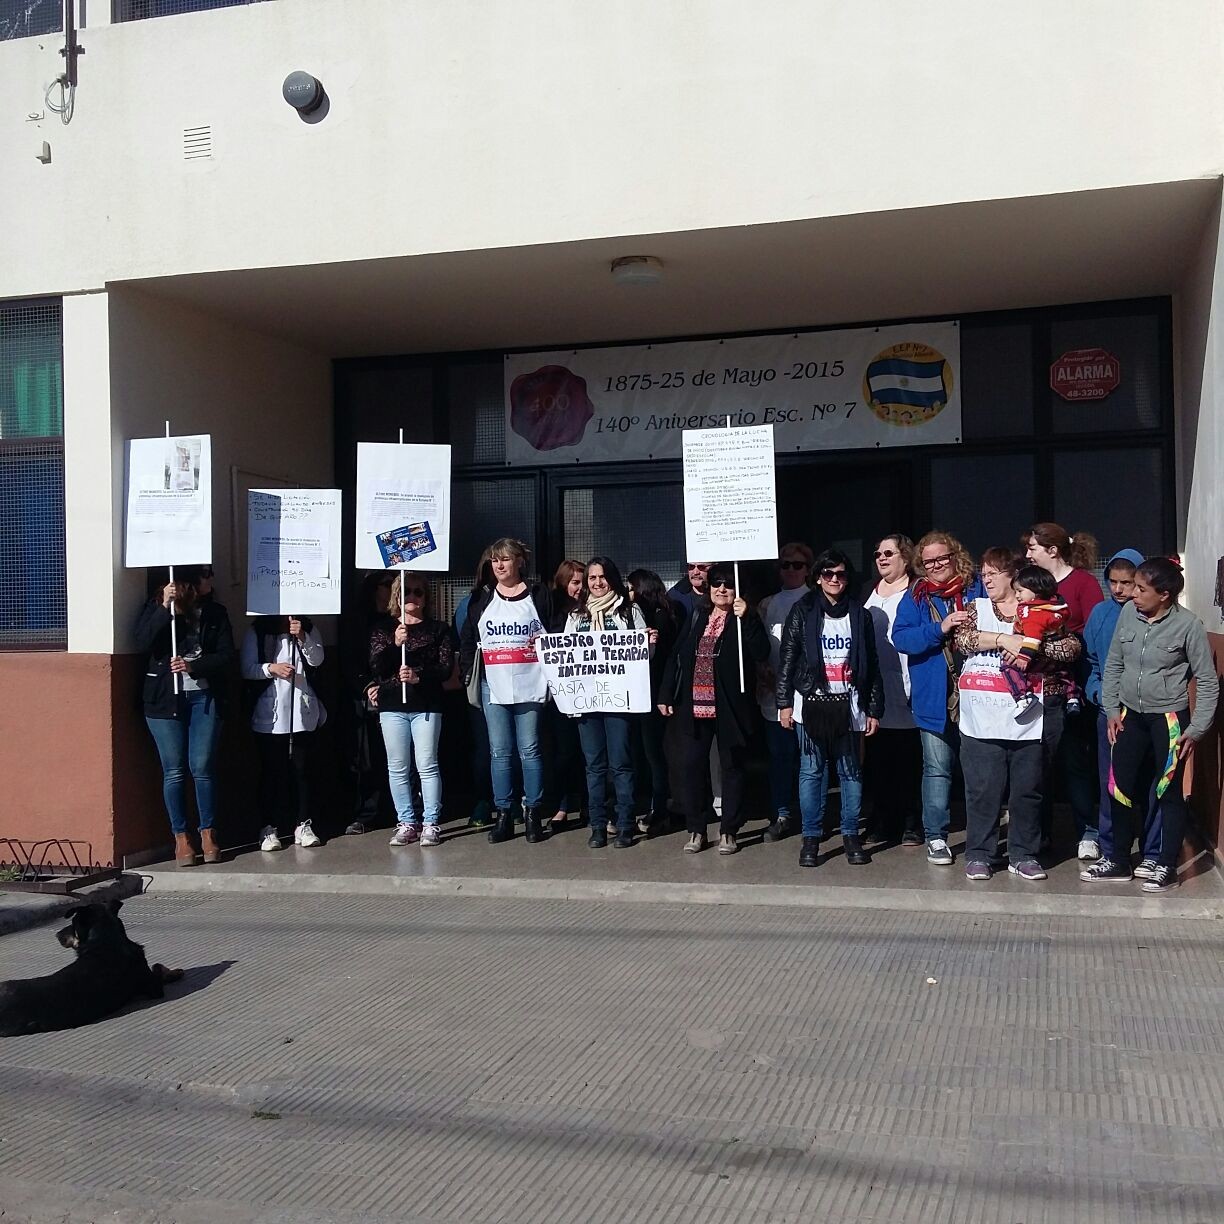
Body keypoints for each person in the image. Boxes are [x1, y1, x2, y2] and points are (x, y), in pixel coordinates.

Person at [1085, 557, 1219, 891]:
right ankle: (1117, 859)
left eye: (1141, 589)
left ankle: (1164, 865)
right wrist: (1111, 709)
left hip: (1169, 719)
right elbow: (1114, 663)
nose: (1133, 594)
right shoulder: (1129, 615)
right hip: (1129, 716)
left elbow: (1207, 680)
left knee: (1167, 791)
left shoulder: (1188, 625)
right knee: (1118, 787)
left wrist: (1197, 729)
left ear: (1164, 595)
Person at [952, 548, 1081, 883]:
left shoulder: (1044, 607)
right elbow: (963, 640)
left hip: (1033, 715)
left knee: (1028, 789)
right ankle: (980, 854)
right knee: (984, 788)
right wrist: (1004, 639)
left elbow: (1070, 648)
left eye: (993, 573)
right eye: (983, 573)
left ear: (1013, 575)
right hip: (983, 713)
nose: (986, 579)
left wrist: (1031, 645)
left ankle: (1024, 854)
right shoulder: (978, 608)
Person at [777, 548, 882, 868]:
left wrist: (874, 708)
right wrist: (783, 703)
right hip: (810, 703)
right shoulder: (803, 610)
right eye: (828, 573)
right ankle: (811, 837)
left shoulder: (860, 614)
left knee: (850, 772)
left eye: (841, 574)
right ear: (818, 577)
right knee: (811, 771)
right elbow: (788, 658)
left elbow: (871, 664)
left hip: (849, 704)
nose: (834, 579)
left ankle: (850, 834)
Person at [659, 564, 769, 854]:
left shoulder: (745, 618)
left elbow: (761, 652)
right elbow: (677, 655)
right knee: (691, 766)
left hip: (730, 707)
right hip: (695, 704)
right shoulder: (698, 615)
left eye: (728, 584)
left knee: (732, 767)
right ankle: (696, 828)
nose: (721, 589)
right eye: (717, 583)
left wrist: (748, 618)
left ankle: (729, 830)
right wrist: (666, 693)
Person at [891, 531, 983, 866]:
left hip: (979, 697)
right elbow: (901, 638)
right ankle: (936, 838)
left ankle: (981, 838)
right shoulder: (916, 595)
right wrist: (939, 628)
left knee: (979, 772)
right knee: (937, 770)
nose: (935, 565)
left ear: (955, 556)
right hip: (935, 698)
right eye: (928, 561)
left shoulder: (977, 588)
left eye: (941, 558)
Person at [135, 566, 235, 868]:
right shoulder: (158, 607)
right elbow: (142, 641)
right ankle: (181, 837)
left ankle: (208, 833)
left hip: (203, 697)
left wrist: (195, 667)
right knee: (174, 770)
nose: (211, 579)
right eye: (206, 574)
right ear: (188, 581)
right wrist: (164, 607)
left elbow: (226, 655)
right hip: (165, 700)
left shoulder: (215, 612)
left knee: (202, 767)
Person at [459, 537, 554, 844]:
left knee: (530, 748)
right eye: (495, 560)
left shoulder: (538, 594)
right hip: (493, 684)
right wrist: (467, 672)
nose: (499, 565)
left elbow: (553, 632)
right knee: (499, 751)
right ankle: (503, 813)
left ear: (519, 562)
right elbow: (468, 638)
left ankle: (533, 813)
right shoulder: (482, 596)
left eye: (505, 559)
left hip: (530, 682)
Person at [1024, 521, 1104, 860]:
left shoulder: (1083, 582)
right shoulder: (1029, 583)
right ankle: (1039, 834)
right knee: (1036, 764)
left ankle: (1087, 831)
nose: (1027, 554)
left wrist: (1058, 642)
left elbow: (1093, 628)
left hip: (1073, 687)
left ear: (1053, 550)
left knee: (1074, 760)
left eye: (1032, 548)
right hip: (1034, 690)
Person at [564, 557, 654, 848]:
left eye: (602, 577)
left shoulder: (630, 611)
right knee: (594, 766)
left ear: (612, 579)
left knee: (621, 763)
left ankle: (625, 823)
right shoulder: (577, 615)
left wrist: (649, 643)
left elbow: (644, 656)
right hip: (587, 701)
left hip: (619, 700)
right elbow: (565, 655)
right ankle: (598, 826)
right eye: (592, 578)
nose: (597, 583)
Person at [1083, 549, 1159, 871]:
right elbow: (1091, 663)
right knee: (1111, 784)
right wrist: (1098, 694)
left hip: (1149, 713)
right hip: (1109, 712)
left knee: (1152, 783)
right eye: (1112, 582)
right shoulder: (1100, 614)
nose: (1118, 589)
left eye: (1126, 583)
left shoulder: (1153, 614)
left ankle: (1153, 852)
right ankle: (1112, 850)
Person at [367, 574, 455, 847]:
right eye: (407, 592)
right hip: (393, 706)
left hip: (426, 705)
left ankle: (430, 822)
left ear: (426, 598)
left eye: (418, 592)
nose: (412, 597)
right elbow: (377, 667)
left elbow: (445, 668)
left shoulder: (438, 629)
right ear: (397, 596)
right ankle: (406, 821)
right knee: (397, 767)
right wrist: (395, 644)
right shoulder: (383, 629)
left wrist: (419, 676)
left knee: (427, 764)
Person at [241, 615, 326, 851]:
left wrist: (303, 637)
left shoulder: (307, 627)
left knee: (302, 769)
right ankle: (269, 826)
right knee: (272, 770)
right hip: (271, 712)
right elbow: (247, 669)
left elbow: (317, 660)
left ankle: (303, 823)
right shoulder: (258, 631)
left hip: (301, 711)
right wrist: (271, 669)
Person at [862, 534, 923, 846]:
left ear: (905, 557)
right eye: (878, 554)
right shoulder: (867, 592)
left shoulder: (917, 591)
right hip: (875, 690)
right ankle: (882, 821)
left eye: (888, 553)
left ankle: (912, 822)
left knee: (909, 760)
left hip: (908, 685)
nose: (881, 558)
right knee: (879, 761)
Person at [756, 543, 813, 842]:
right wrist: (764, 672)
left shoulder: (815, 600)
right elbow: (758, 646)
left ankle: (810, 815)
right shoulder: (767, 604)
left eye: (797, 564)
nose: (791, 569)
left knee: (809, 759)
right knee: (779, 757)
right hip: (775, 694)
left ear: (808, 569)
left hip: (809, 695)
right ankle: (781, 813)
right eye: (785, 565)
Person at [627, 568, 683, 835]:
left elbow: (664, 659)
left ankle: (659, 808)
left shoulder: (659, 618)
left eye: (631, 588)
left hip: (654, 694)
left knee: (654, 755)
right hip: (643, 693)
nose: (627, 594)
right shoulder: (653, 615)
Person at [341, 571, 395, 836]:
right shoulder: (358, 621)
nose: (394, 588)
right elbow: (349, 660)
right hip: (365, 697)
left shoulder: (398, 621)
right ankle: (367, 813)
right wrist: (367, 686)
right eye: (388, 584)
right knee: (367, 758)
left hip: (395, 693)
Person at [453, 549, 496, 829]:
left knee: (518, 746)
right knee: (484, 746)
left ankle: (513, 800)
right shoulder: (470, 603)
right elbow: (463, 640)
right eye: (494, 564)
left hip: (517, 681)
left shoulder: (527, 597)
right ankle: (483, 799)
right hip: (483, 681)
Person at [545, 560, 587, 832]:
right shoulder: (551, 613)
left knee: (588, 752)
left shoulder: (592, 610)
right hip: (560, 695)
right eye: (575, 582)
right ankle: (561, 806)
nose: (580, 588)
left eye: (583, 582)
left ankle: (588, 804)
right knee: (563, 752)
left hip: (590, 693)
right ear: (562, 583)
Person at [1004, 568, 1078, 716]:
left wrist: (1024, 656)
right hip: (1056, 652)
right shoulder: (1055, 607)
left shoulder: (1032, 613)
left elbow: (1033, 636)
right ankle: (1073, 696)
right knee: (1064, 670)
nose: (1017, 596)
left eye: (1020, 591)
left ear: (1036, 590)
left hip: (1035, 655)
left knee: (1008, 666)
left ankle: (1022, 697)